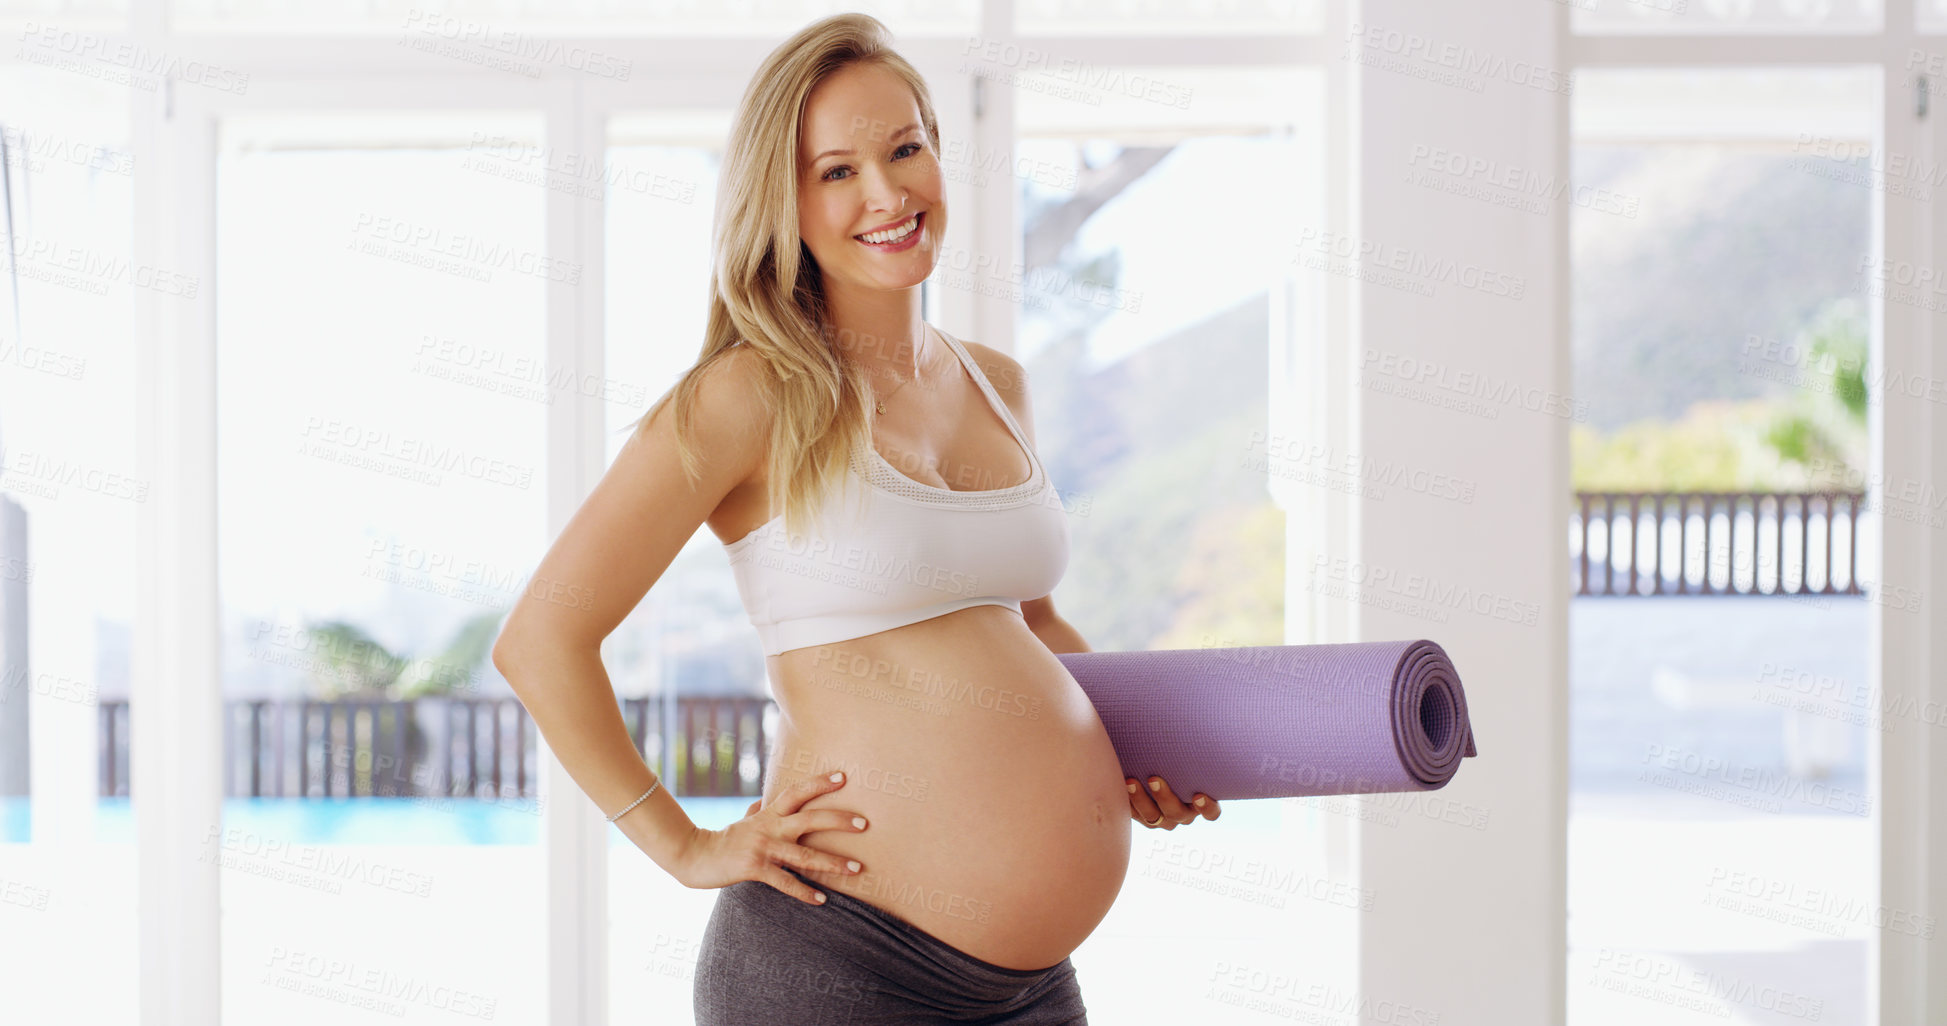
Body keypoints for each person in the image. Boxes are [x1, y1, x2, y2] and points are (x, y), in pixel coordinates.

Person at [491, 13, 1219, 1024]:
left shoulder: (996, 382)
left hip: (1032, 989)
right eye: (837, 171)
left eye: (906, 147)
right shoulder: (745, 398)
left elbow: (1035, 627)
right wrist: (684, 845)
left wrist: (1132, 750)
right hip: (837, 966)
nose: (888, 193)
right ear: (781, 200)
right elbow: (541, 640)